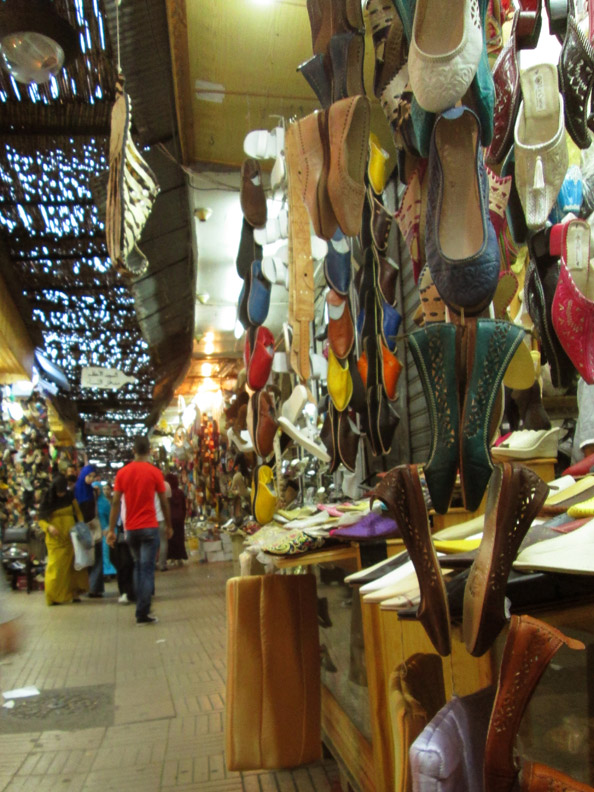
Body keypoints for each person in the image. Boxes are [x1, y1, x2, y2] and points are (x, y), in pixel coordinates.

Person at [107, 436, 172, 625]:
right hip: (150, 528)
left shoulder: (122, 473)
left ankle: (140, 606)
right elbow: (163, 502)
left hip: (131, 529)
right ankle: (142, 612)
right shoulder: (154, 472)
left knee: (138, 565)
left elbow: (115, 503)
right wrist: (168, 525)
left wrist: (111, 529)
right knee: (146, 569)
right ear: (149, 450)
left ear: (134, 451)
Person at [38, 474, 89, 605]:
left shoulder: (69, 496)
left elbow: (77, 512)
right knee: (56, 567)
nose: (61, 494)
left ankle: (74, 593)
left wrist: (81, 525)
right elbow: (41, 520)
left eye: (63, 491)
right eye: (59, 491)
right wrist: (49, 527)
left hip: (71, 538)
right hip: (56, 540)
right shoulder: (47, 499)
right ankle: (53, 596)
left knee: (74, 567)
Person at [74, 464, 103, 598]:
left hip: (93, 528)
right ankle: (90, 587)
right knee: (89, 558)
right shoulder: (78, 490)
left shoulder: (89, 490)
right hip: (84, 530)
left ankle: (94, 587)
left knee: (96, 556)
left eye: (93, 476)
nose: (91, 479)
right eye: (89, 476)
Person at [165, 473, 187, 565]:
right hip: (179, 518)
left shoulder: (166, 493)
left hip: (170, 518)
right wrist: (183, 516)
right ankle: (180, 558)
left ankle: (172, 558)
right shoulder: (180, 492)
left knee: (171, 539)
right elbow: (184, 506)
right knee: (180, 538)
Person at [96, 484, 117, 578]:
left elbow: (111, 517)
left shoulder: (105, 503)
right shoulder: (89, 502)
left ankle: (107, 571)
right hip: (94, 531)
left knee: (105, 548)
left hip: (105, 530)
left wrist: (109, 528)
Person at [155, 477, 172, 571]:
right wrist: (169, 523)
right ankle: (162, 564)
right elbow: (167, 503)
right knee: (163, 541)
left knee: (152, 542)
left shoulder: (148, 485)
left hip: (151, 519)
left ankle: (153, 563)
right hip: (162, 517)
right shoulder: (166, 485)